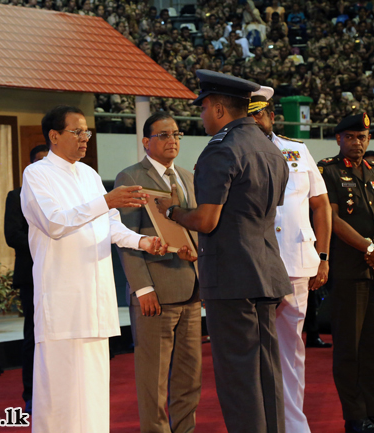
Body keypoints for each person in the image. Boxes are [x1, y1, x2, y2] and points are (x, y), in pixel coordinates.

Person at [156, 70, 291, 433]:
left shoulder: (221, 147)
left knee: (238, 375)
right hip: (266, 270)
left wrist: (171, 211)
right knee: (266, 370)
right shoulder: (270, 148)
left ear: (217, 108)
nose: (201, 117)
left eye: (203, 108)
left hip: (232, 276)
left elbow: (206, 219)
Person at [20, 105, 167, 433]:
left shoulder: (87, 174)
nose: (85, 138)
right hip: (63, 299)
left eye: (87, 132)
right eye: (77, 132)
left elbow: (111, 226)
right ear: (54, 136)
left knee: (95, 393)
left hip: (95, 300)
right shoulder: (37, 174)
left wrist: (143, 242)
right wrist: (107, 201)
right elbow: (54, 223)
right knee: (59, 395)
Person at [318, 113, 374, 433]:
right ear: (339, 139)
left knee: (371, 346)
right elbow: (332, 218)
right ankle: (354, 417)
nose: (358, 143)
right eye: (352, 137)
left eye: (363, 137)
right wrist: (368, 248)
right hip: (348, 270)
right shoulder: (327, 170)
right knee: (349, 349)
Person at [249, 86, 332, 433]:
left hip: (297, 263)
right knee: (255, 349)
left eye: (261, 113)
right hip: (256, 264)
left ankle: (294, 423)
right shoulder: (233, 152)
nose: (257, 119)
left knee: (292, 350)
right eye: (250, 114)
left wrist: (323, 257)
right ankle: (262, 422)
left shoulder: (298, 151)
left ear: (271, 115)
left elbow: (321, 205)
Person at [114, 112, 201, 433]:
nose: (172, 140)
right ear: (146, 141)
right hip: (156, 293)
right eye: (164, 135)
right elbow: (126, 238)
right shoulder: (130, 178)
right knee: (153, 380)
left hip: (191, 290)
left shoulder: (188, 178)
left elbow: (196, 230)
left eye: (176, 134)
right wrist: (142, 288)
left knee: (189, 377)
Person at [4, 144, 49, 415]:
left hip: (63, 276)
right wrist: (47, 245)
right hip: (32, 274)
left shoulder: (64, 196)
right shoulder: (17, 195)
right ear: (30, 167)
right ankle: (31, 395)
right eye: (39, 162)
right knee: (33, 336)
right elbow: (13, 235)